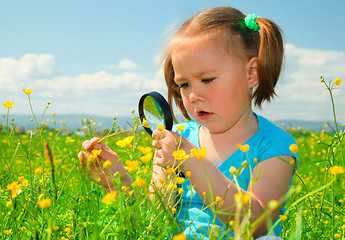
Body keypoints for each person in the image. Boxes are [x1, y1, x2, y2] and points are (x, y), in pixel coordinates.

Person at [78, 6, 298, 239]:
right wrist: (118, 180)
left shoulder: (275, 145)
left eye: (207, 79)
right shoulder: (179, 139)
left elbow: (256, 225)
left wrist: (191, 160)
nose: (193, 95)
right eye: (184, 84)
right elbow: (154, 221)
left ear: (251, 73)